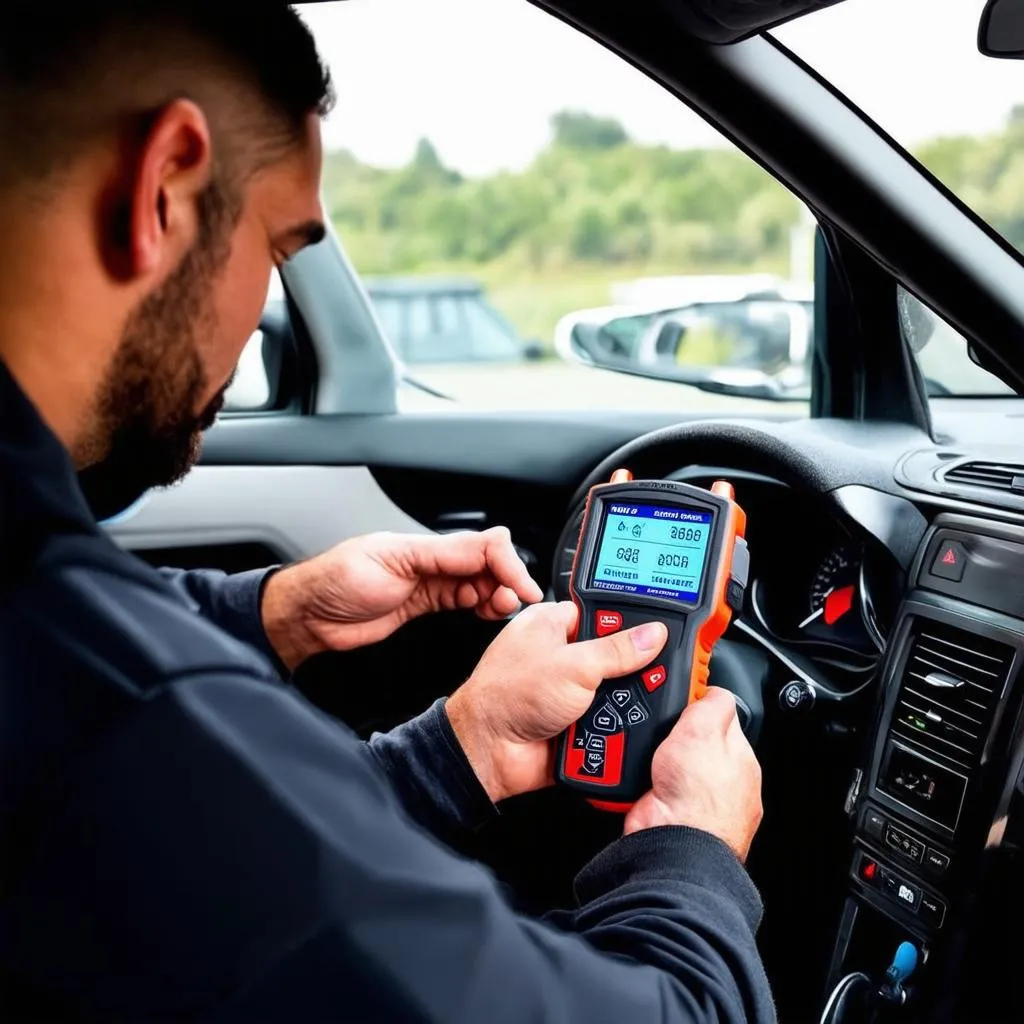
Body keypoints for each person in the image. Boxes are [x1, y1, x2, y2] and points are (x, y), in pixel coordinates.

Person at [0, 4, 772, 1021]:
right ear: (166, 183)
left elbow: (222, 885)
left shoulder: (57, 659)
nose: (260, 310)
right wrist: (692, 858)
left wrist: (285, 620)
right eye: (279, 250)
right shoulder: (126, 716)